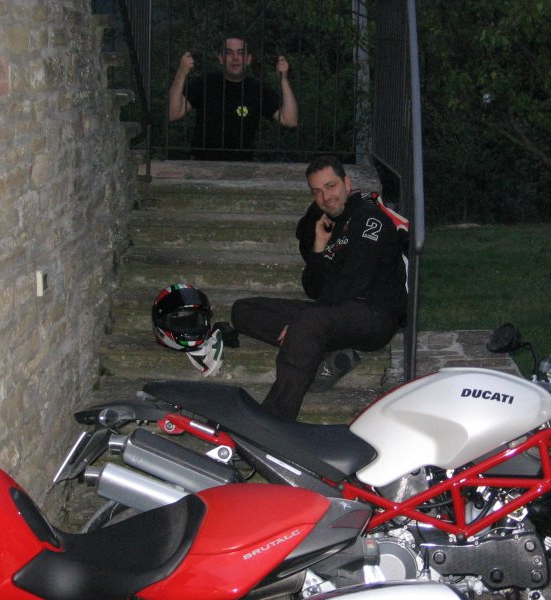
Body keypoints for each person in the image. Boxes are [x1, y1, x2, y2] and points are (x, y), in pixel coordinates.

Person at [231, 156, 407, 421]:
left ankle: (274, 420)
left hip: (374, 315)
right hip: (335, 311)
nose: (326, 197)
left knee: (309, 322)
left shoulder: (370, 219)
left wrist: (305, 322)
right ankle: (316, 349)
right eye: (317, 192)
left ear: (347, 184)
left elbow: (353, 282)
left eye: (331, 186)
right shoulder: (329, 225)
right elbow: (313, 289)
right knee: (243, 309)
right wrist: (319, 248)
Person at [167, 35, 298, 160]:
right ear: (221, 58)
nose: (235, 58)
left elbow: (290, 120)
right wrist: (181, 72)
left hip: (242, 166)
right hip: (201, 164)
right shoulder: (204, 83)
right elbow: (173, 113)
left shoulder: (257, 89)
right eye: (229, 52)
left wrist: (284, 79)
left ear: (248, 59)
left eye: (241, 53)